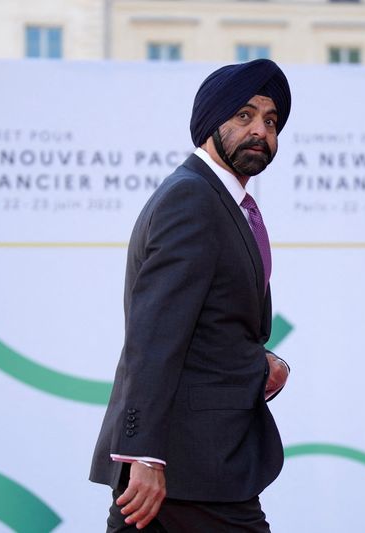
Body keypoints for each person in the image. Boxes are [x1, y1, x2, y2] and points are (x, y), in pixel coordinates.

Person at [90, 58, 292, 532]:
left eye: (271, 121)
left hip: (194, 461)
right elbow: (155, 335)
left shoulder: (221, 201)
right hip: (189, 463)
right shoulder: (193, 198)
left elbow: (206, 323)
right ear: (209, 123)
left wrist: (257, 360)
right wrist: (143, 454)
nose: (260, 131)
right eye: (244, 116)